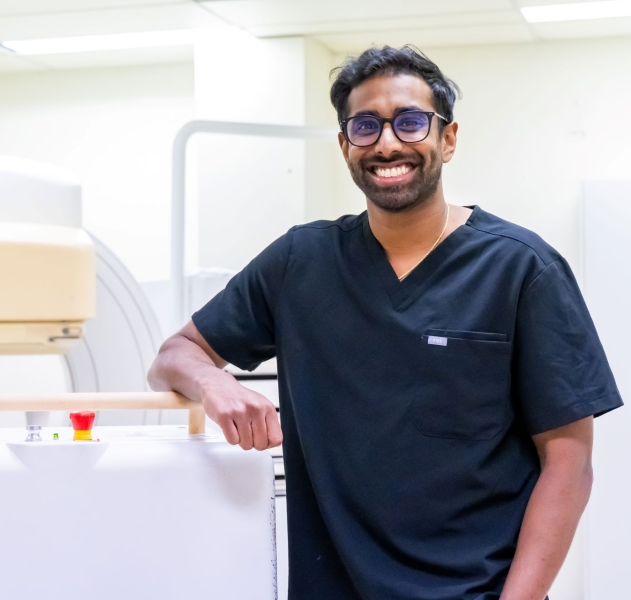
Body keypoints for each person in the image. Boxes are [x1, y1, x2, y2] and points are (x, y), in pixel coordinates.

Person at [147, 45, 623, 600]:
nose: (388, 143)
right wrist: (213, 382)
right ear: (347, 145)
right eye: (366, 126)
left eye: (411, 122)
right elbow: (171, 358)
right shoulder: (300, 263)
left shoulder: (521, 269)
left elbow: (569, 464)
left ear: (447, 138)